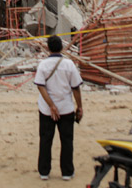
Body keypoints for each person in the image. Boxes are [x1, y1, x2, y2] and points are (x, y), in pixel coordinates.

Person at [35, 35, 83, 182]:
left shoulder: (43, 65)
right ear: (61, 47)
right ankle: (67, 172)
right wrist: (79, 107)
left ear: (48, 48)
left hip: (46, 110)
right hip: (66, 108)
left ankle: (44, 171)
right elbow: (76, 88)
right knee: (67, 141)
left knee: (45, 140)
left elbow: (40, 85)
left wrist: (51, 106)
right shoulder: (69, 65)